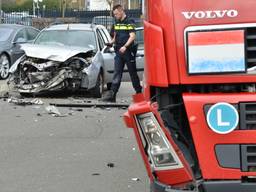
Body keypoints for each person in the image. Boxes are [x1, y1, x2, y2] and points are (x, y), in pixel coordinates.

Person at [102, 4, 142, 102]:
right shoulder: (116, 22)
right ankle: (112, 95)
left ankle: (139, 94)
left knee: (133, 74)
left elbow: (132, 36)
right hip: (119, 51)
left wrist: (125, 46)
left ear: (121, 11)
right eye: (114, 14)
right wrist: (111, 43)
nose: (115, 16)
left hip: (128, 51)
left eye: (116, 14)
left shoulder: (129, 21)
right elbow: (115, 36)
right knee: (117, 73)